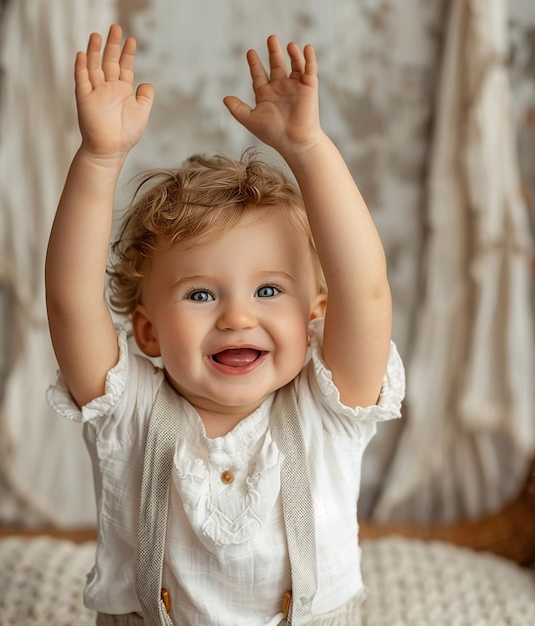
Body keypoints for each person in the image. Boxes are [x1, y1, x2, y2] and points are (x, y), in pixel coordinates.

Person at [46, 24, 405, 626]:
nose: (237, 316)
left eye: (269, 290)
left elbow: (366, 291)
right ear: (148, 331)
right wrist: (99, 157)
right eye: (200, 293)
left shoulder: (329, 407)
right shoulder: (128, 412)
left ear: (317, 309)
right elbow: (68, 301)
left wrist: (309, 149)